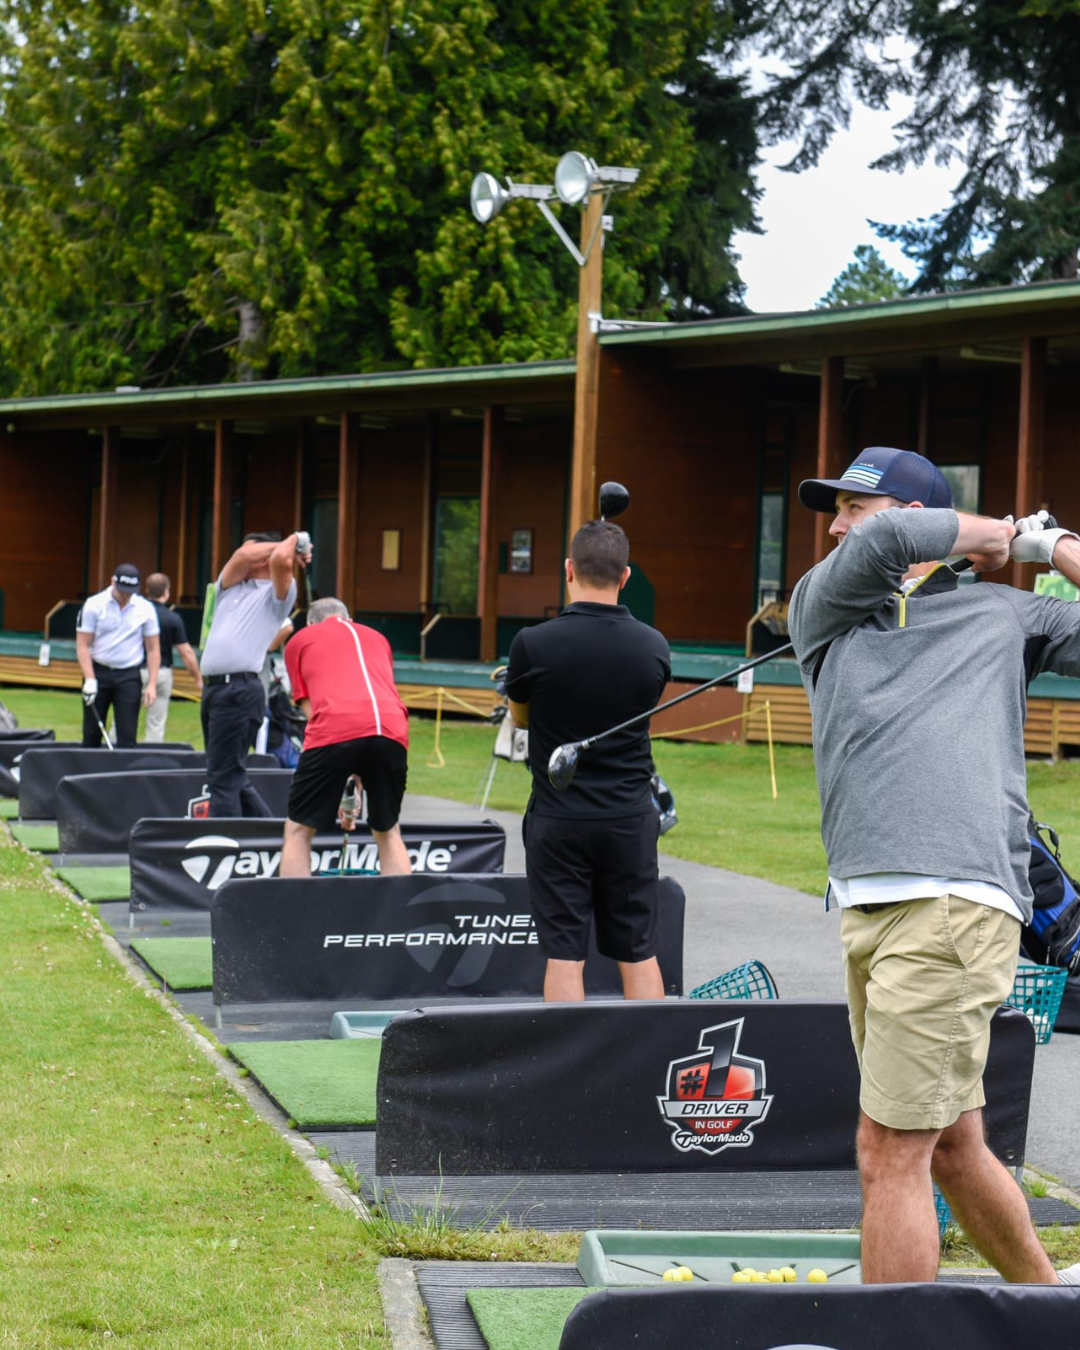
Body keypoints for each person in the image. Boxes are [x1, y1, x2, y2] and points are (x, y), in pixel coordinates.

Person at [788, 445, 1080, 1286]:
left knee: (888, 1154)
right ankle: (1049, 1307)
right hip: (867, 909)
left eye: (856, 507)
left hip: (954, 903)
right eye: (833, 508)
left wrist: (1046, 545)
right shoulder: (827, 607)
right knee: (951, 1144)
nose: (836, 525)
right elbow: (884, 551)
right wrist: (998, 535)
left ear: (921, 521)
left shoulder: (1004, 617)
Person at [504, 519, 671, 1002]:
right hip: (629, 818)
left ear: (568, 570)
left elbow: (521, 720)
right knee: (639, 951)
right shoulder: (654, 646)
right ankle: (651, 1064)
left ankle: (572, 1073)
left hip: (559, 819)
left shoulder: (531, 644)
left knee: (564, 954)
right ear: (625, 577)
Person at [280, 597, 411, 877]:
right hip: (391, 728)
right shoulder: (378, 638)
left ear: (311, 623)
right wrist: (351, 787)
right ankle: (403, 916)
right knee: (388, 830)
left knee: (298, 830)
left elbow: (312, 709)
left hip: (336, 727)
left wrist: (343, 781)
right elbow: (367, 724)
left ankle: (291, 916)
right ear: (349, 618)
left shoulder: (299, 640)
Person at [199, 531, 310, 816]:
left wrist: (293, 544)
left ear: (266, 558)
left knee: (221, 777)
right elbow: (242, 556)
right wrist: (296, 541)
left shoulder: (279, 594)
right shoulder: (230, 586)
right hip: (214, 690)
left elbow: (282, 561)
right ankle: (270, 836)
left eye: (256, 552)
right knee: (230, 774)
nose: (246, 556)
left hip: (239, 689)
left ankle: (224, 847)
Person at [75, 563, 160, 748]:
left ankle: (124, 775)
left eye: (129, 592)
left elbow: (153, 648)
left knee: (127, 733)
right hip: (98, 672)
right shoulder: (94, 605)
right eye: (122, 590)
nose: (125, 596)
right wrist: (89, 678)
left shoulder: (145, 608)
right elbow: (83, 644)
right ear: (113, 582)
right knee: (91, 732)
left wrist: (152, 683)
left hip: (128, 675)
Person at [143, 573, 203, 742]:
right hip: (161, 671)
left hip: (135, 670)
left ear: (147, 590)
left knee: (123, 720)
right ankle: (151, 760)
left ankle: (114, 754)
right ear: (166, 592)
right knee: (156, 725)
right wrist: (197, 678)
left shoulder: (137, 613)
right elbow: (186, 652)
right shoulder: (172, 618)